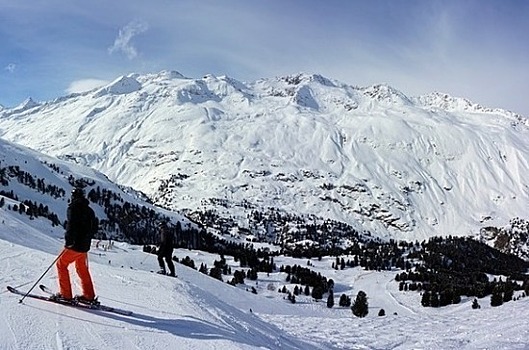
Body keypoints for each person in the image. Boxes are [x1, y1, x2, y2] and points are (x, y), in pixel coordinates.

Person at [54, 187, 98, 303]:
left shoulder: (73, 209)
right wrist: (87, 238)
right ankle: (89, 296)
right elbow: (94, 227)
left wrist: (69, 241)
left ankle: (66, 295)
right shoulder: (90, 210)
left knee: (61, 264)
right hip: (85, 246)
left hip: (75, 245)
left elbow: (71, 226)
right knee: (82, 268)